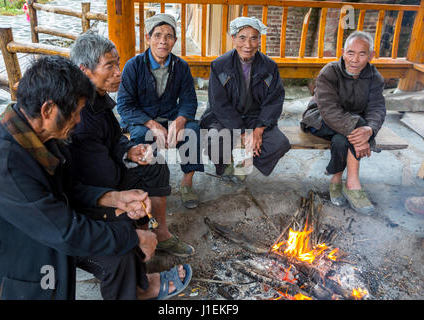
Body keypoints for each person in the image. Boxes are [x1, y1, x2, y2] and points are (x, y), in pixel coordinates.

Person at [0, 56, 192, 300]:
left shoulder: (36, 133)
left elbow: (64, 189)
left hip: (46, 225)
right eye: (75, 113)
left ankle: (135, 289)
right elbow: (64, 232)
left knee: (119, 234)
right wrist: (132, 237)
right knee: (122, 240)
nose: (78, 120)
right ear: (47, 109)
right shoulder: (2, 163)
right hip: (16, 254)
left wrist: (113, 198)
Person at [69, 31, 195, 265]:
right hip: (93, 189)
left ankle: (160, 233)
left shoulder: (99, 96)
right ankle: (142, 236)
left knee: (154, 161)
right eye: (110, 66)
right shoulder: (80, 114)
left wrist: (128, 151)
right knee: (141, 173)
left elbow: (115, 137)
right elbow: (102, 173)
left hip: (109, 164)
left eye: (117, 63)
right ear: (84, 69)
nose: (118, 72)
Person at [117, 13, 204, 209]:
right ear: (148, 38)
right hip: (142, 120)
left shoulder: (180, 66)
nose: (162, 42)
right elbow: (124, 104)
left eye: (168, 36)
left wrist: (181, 120)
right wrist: (152, 124)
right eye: (157, 35)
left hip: (171, 116)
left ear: (175, 40)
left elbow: (189, 100)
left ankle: (187, 183)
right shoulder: (134, 66)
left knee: (192, 130)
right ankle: (146, 181)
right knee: (140, 135)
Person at [300, 31, 386, 214]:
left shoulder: (374, 77)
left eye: (362, 54)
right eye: (350, 53)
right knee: (357, 125)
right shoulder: (329, 72)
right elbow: (329, 111)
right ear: (342, 52)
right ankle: (353, 184)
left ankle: (337, 180)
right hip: (319, 119)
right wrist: (365, 138)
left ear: (371, 55)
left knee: (343, 137)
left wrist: (370, 130)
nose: (355, 59)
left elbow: (377, 109)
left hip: (350, 123)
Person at [199, 17, 291, 182]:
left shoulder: (269, 67)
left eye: (253, 38)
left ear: (259, 41)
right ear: (233, 39)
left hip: (255, 119)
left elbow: (274, 100)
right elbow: (218, 104)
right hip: (225, 119)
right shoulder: (219, 65)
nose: (248, 45)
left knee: (279, 143)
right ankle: (228, 162)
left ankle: (244, 160)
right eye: (242, 37)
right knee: (213, 140)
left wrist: (259, 130)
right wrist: (242, 132)